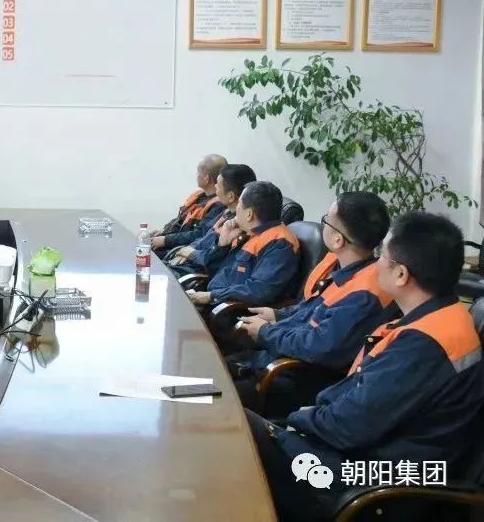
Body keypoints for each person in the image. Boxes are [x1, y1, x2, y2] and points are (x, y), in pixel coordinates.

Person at [246, 212, 484, 522]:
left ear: (401, 274)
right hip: (367, 455)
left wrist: (299, 419)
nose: (375, 261)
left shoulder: (426, 344)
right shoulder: (437, 317)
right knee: (244, 430)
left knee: (242, 437)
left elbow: (348, 427)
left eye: (382, 253)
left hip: (372, 480)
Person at [230, 192, 394, 414]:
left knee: (213, 393)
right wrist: (278, 315)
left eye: (326, 220)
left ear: (338, 239)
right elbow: (312, 310)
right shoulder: (345, 268)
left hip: (291, 378)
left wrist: (265, 332)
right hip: (274, 356)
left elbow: (316, 346)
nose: (322, 223)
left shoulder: (365, 294)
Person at [187, 181, 299, 307]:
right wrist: (223, 245)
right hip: (212, 298)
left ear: (249, 214)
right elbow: (217, 270)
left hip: (230, 310)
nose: (236, 210)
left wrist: (210, 296)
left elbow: (258, 291)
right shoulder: (250, 233)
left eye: (239, 204)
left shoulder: (280, 244)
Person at [168, 163, 256, 278]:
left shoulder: (238, 226)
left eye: (218, 185)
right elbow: (204, 237)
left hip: (196, 273)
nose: (214, 187)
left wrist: (191, 253)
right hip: (187, 263)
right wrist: (189, 249)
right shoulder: (226, 213)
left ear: (230, 196)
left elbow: (216, 262)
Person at [152, 154, 228, 258]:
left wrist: (166, 240)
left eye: (198, 172)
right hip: (173, 244)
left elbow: (200, 234)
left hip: (182, 251)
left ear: (207, 178)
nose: (196, 175)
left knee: (144, 256)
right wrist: (165, 231)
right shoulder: (198, 196)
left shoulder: (218, 205)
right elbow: (181, 220)